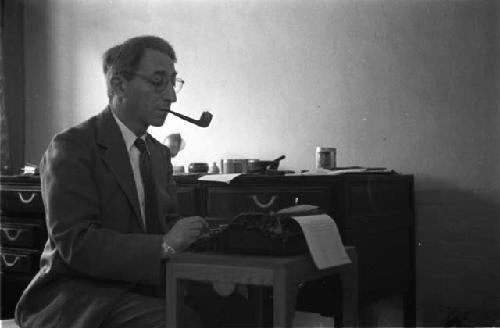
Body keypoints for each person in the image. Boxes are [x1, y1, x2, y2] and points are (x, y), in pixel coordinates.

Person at [15, 35, 208, 328]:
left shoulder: (157, 154)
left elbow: (167, 227)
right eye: (158, 82)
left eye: (173, 82)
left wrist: (212, 236)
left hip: (141, 290)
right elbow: (76, 244)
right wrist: (165, 245)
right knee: (181, 322)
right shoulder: (72, 147)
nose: (172, 96)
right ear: (118, 85)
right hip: (77, 297)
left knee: (235, 308)